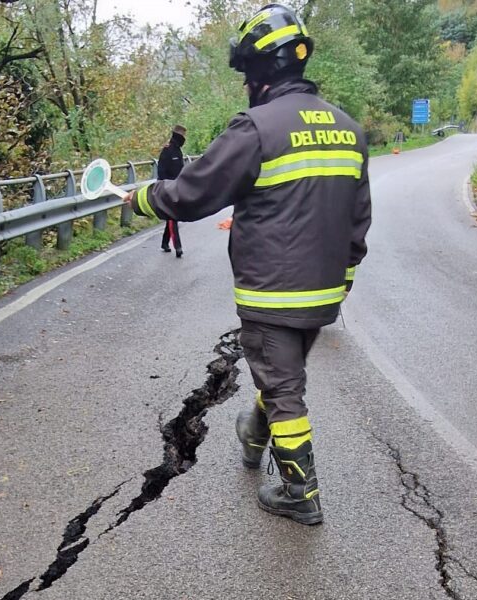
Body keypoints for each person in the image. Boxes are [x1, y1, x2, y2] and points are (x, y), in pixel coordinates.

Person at [124, 3, 371, 525]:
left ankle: (300, 493)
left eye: (245, 76)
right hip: (324, 294)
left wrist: (144, 198)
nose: (244, 87)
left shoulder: (257, 127)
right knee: (281, 374)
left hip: (272, 292)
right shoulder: (348, 129)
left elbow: (194, 193)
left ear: (258, 73)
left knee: (283, 389)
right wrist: (342, 282)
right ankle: (253, 432)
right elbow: (358, 221)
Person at [157, 125, 187, 258]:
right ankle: (178, 247)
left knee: (172, 217)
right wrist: (164, 187)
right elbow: (161, 171)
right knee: (173, 218)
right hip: (167, 189)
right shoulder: (167, 150)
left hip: (177, 188)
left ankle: (164, 242)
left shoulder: (178, 152)